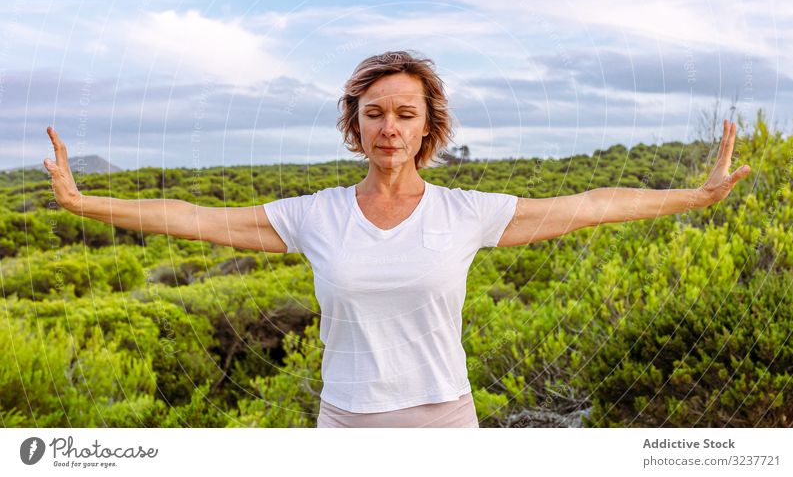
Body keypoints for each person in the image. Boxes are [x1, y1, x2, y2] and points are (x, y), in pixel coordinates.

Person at [44, 50, 751, 428]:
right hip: (345, 425)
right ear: (357, 127)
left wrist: (694, 195)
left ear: (426, 129)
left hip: (444, 423)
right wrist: (82, 203)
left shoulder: (466, 211)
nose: (389, 127)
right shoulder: (314, 215)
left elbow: (592, 202)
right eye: (374, 113)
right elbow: (191, 216)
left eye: (404, 114)